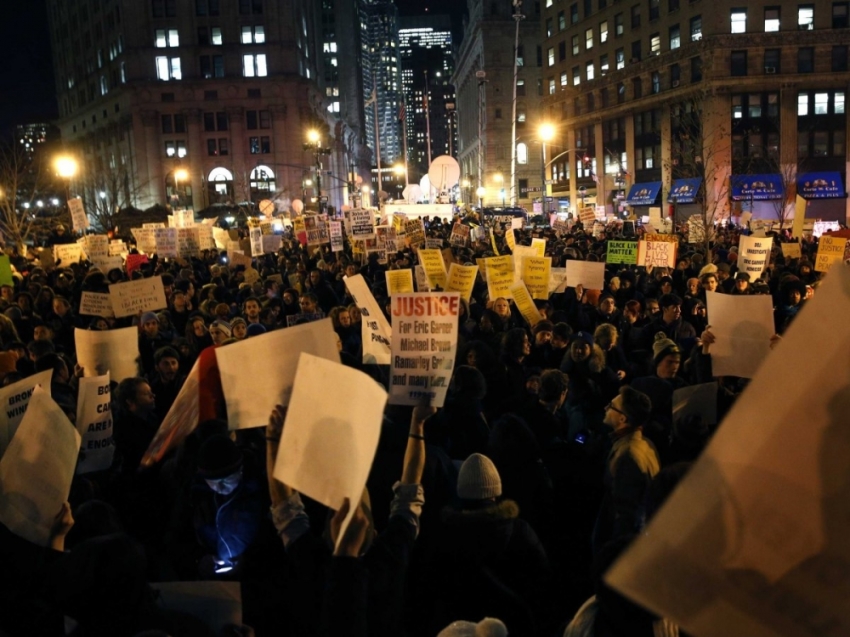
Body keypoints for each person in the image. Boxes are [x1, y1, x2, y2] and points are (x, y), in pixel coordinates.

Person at [593, 386, 660, 549]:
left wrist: (613, 550)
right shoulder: (646, 444)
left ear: (622, 419)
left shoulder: (628, 455)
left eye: (611, 406)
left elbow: (626, 513)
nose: (605, 408)